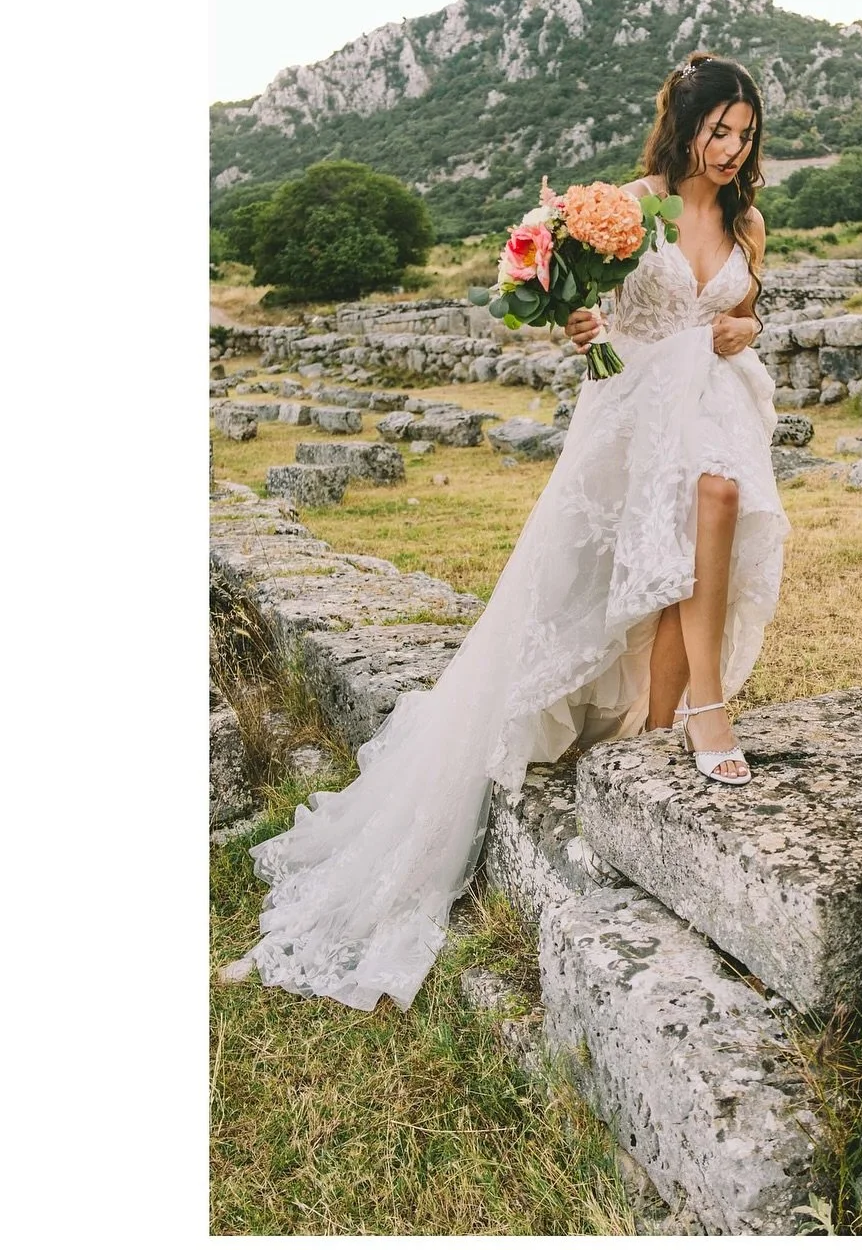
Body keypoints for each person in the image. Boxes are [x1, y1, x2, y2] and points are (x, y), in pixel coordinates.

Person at [218, 52, 791, 1012]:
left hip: (714, 402)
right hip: (637, 403)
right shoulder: (627, 205)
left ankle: (679, 718)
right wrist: (578, 324)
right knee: (643, 563)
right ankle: (692, 717)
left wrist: (745, 331)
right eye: (718, 130)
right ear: (685, 123)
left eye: (745, 134)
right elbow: (576, 300)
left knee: (717, 510)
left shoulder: (748, 222)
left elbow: (744, 310)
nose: (731, 150)